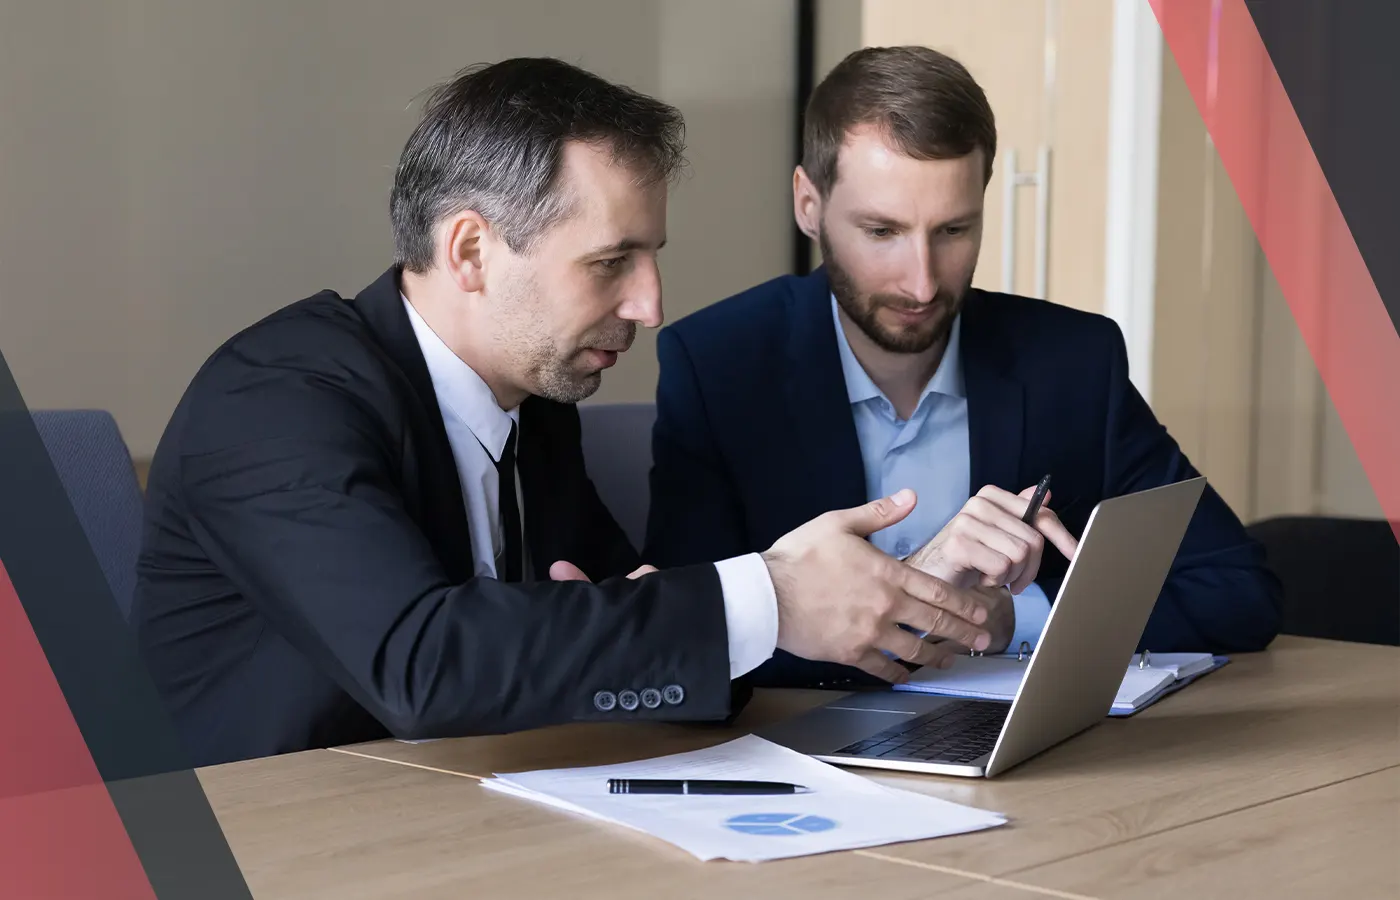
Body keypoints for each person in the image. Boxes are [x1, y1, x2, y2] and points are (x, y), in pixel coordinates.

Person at [131, 57, 996, 768]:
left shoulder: (536, 406)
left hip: (462, 816)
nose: (651, 304)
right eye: (611, 261)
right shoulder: (273, 400)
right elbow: (426, 666)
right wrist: (767, 594)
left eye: (651, 257)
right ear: (471, 250)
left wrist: (692, 618)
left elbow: (640, 629)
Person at [644, 46, 1282, 690]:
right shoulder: (719, 364)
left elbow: (1235, 589)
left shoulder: (1073, 361)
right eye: (882, 231)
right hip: (802, 762)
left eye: (953, 231)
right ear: (809, 204)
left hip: (1030, 768)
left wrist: (1007, 621)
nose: (921, 283)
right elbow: (678, 631)